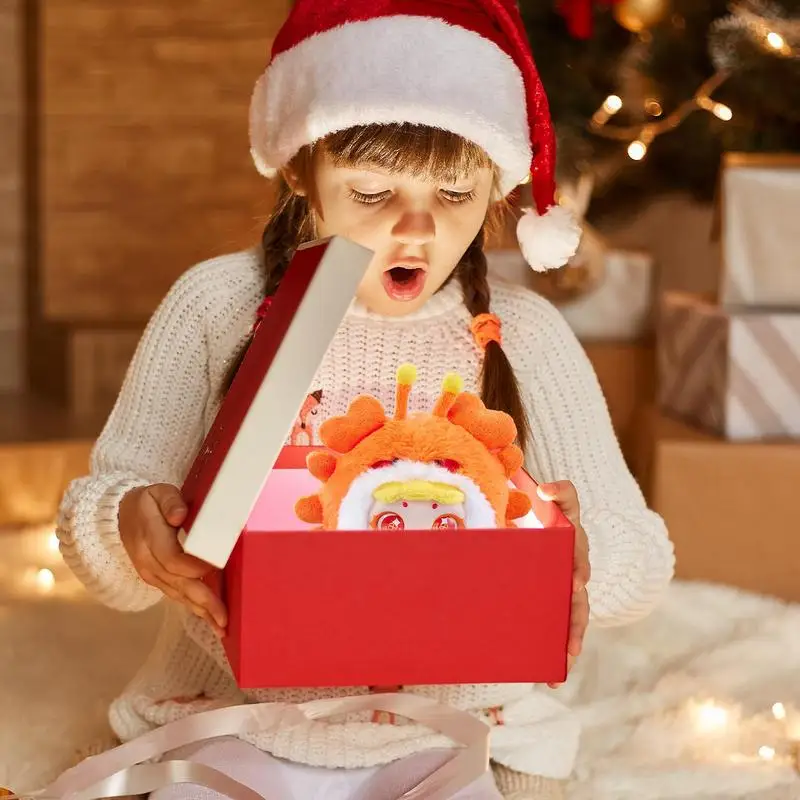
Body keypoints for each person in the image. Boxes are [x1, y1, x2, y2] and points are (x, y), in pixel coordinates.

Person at [56, 1, 675, 797]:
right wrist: (128, 528)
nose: (414, 232)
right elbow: (101, 522)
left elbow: (644, 558)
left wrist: (583, 561)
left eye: (454, 195)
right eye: (374, 193)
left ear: (496, 187)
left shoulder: (523, 333)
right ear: (299, 172)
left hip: (463, 729)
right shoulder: (214, 306)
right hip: (230, 720)